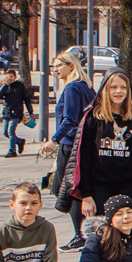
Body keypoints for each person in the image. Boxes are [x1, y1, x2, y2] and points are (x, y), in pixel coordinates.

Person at [71, 72, 132, 222]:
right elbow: (83, 159)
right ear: (105, 89)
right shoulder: (93, 119)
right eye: (113, 87)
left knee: (124, 233)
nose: (118, 91)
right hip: (98, 187)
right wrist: (86, 195)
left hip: (127, 187)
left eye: (123, 87)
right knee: (101, 234)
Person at [42, 55, 97, 249]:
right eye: (53, 66)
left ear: (70, 65)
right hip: (81, 143)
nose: (54, 69)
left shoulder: (72, 87)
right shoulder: (86, 86)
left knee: (66, 189)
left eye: (58, 66)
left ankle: (81, 234)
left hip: (70, 143)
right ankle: (84, 231)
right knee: (69, 188)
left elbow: (70, 119)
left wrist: (53, 140)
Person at [0, 67, 34, 157]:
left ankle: (12, 150)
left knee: (11, 131)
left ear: (15, 77)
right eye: (7, 77)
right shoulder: (5, 86)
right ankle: (20, 141)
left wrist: (31, 112)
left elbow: (27, 99)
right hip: (7, 112)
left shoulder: (20, 86)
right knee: (5, 132)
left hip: (17, 112)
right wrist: (5, 85)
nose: (10, 78)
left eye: (11, 76)